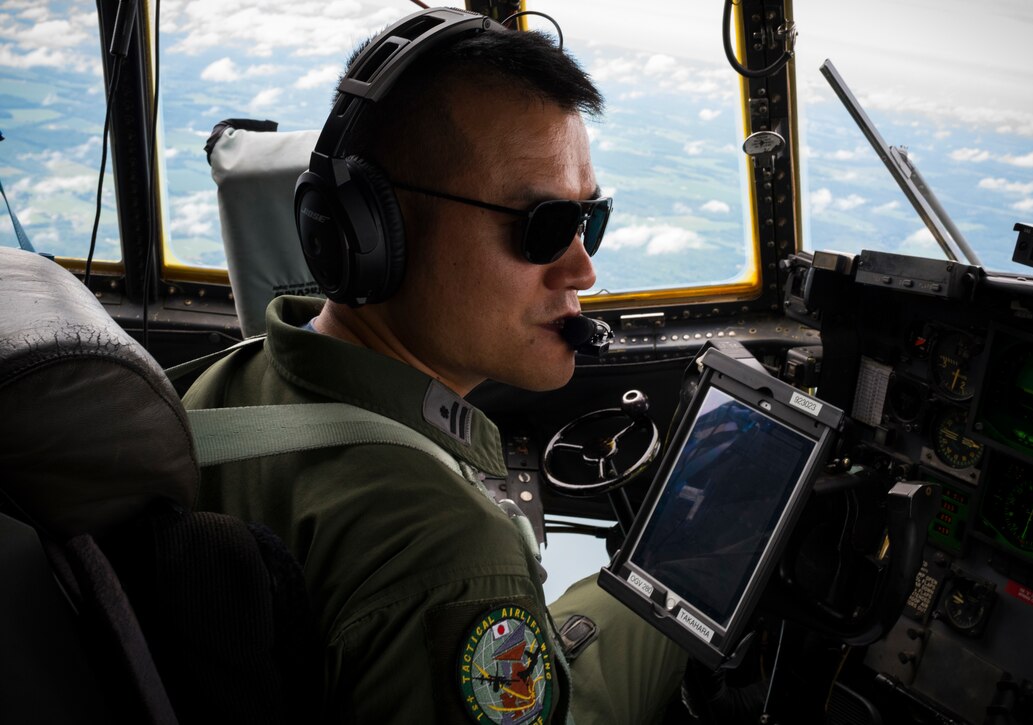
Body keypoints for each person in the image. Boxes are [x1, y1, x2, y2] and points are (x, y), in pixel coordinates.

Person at [184, 10, 687, 724]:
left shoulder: (231, 381)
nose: (583, 268)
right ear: (375, 232)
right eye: (545, 226)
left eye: (589, 219)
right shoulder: (451, 555)